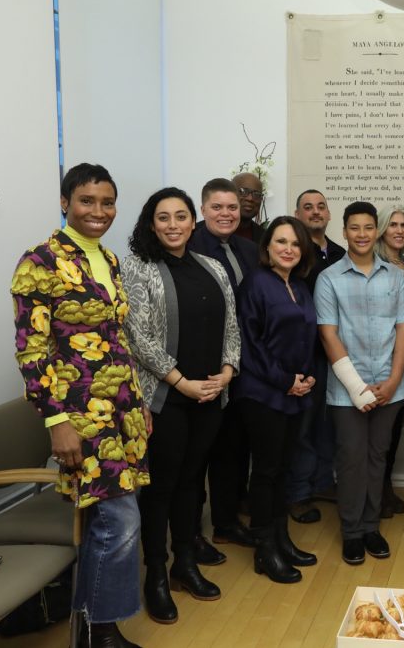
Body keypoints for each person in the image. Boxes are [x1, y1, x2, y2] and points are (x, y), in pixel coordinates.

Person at [11, 163, 150, 647]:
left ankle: (92, 629)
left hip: (121, 409)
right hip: (78, 413)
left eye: (107, 202)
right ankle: (101, 633)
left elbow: (115, 338)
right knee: (120, 517)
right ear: (65, 202)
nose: (99, 211)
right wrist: (56, 421)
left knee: (106, 518)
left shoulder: (108, 260)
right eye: (87, 201)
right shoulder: (40, 261)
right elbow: (33, 350)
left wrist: (138, 401)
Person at [123, 188, 241, 623]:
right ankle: (155, 574)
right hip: (166, 398)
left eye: (180, 216)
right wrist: (181, 382)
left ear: (195, 222)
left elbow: (232, 323)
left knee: (192, 481)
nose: (173, 225)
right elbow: (138, 338)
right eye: (163, 217)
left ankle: (184, 565)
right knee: (161, 488)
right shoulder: (138, 269)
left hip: (210, 395)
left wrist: (228, 370)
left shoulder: (211, 266)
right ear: (151, 224)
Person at [315, 201, 404, 565]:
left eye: (368, 227)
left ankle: (372, 527)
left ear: (378, 231)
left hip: (391, 386)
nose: (361, 234)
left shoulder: (396, 276)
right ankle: (352, 531)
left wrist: (393, 380)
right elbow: (328, 335)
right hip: (346, 390)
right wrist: (357, 388)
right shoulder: (329, 279)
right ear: (344, 231)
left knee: (377, 458)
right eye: (354, 228)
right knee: (352, 460)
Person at [234, 216, 320, 583]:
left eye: (295, 244)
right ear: (267, 246)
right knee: (266, 471)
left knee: (284, 469)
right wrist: (286, 381)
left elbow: (304, 339)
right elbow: (248, 345)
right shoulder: (255, 283)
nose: (288, 249)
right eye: (281, 242)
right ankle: (264, 548)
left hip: (294, 392)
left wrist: (305, 377)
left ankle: (282, 539)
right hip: (261, 393)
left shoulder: (299, 286)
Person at [186, 177, 260, 564]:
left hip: (242, 368)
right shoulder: (189, 245)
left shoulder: (250, 249)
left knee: (233, 448)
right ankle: (192, 533)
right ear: (203, 210)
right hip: (201, 370)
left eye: (232, 207)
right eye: (218, 207)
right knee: (198, 455)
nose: (227, 214)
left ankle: (227, 522)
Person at [285, 189, 346, 524]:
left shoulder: (339, 253)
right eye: (307, 207)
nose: (315, 212)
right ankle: (298, 492)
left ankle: (323, 482)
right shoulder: (293, 253)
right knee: (304, 425)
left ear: (329, 213)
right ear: (297, 213)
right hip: (304, 351)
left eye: (320, 206)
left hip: (335, 351)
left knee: (330, 422)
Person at [374, 205, 404, 518]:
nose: (399, 230)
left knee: (393, 431)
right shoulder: (373, 264)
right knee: (375, 436)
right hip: (376, 360)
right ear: (382, 230)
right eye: (393, 225)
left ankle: (383, 486)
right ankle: (374, 493)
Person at [231, 172, 266, 243]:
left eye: (256, 194)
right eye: (243, 191)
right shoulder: (205, 231)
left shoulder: (265, 237)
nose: (250, 198)